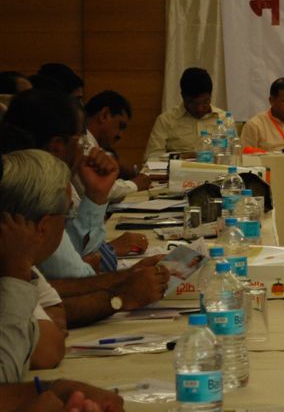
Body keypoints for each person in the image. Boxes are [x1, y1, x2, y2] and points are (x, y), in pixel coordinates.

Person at [2, 91, 168, 327]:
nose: (86, 149)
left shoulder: (45, 182)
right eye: (81, 140)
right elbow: (70, 284)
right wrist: (121, 291)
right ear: (58, 146)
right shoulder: (31, 194)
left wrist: (97, 196)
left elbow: (70, 268)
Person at [0, 150, 73, 380]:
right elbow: (46, 352)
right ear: (43, 227)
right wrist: (17, 272)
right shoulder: (13, 262)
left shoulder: (17, 256)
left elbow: (57, 316)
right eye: (67, 215)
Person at [83, 91, 151, 202]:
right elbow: (100, 189)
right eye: (120, 126)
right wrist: (135, 185)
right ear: (104, 115)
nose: (120, 135)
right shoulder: (83, 142)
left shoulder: (94, 144)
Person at [143, 67, 224, 160]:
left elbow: (233, 157)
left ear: (210, 96)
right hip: (176, 173)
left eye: (205, 102)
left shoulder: (223, 119)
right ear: (183, 96)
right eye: (193, 103)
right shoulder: (166, 120)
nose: (199, 109)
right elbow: (152, 158)